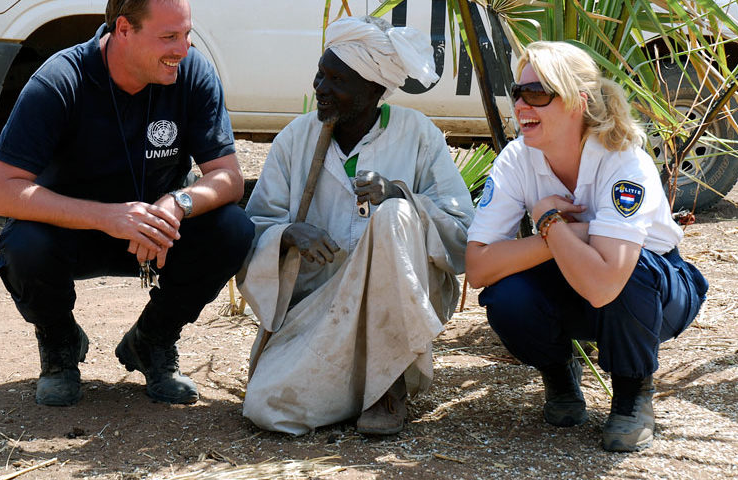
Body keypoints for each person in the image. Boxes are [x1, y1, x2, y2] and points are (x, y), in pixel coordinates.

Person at [0, 0, 253, 407]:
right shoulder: (61, 79)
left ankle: (153, 341)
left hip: (154, 235)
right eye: (169, 37)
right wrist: (107, 217)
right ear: (123, 29)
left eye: (186, 34)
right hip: (72, 233)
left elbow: (229, 178)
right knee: (23, 246)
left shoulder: (191, 72)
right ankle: (60, 345)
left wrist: (177, 203)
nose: (183, 48)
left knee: (234, 229)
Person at [465, 41, 709, 452]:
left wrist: (548, 220)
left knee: (627, 271)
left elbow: (604, 284)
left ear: (578, 102)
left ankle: (633, 396)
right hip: (577, 277)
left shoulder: (622, 160)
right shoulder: (516, 159)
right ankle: (559, 374)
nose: (523, 104)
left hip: (655, 291)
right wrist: (560, 231)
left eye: (538, 93)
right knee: (505, 296)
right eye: (518, 92)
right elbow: (478, 268)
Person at [238, 16, 474, 436]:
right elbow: (255, 226)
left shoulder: (417, 135)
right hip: (318, 309)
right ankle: (347, 387)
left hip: (396, 310)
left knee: (395, 215)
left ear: (373, 91)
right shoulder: (296, 138)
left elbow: (462, 233)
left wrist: (401, 196)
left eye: (336, 80)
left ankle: (389, 384)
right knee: (267, 409)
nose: (320, 88)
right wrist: (288, 235)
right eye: (320, 73)